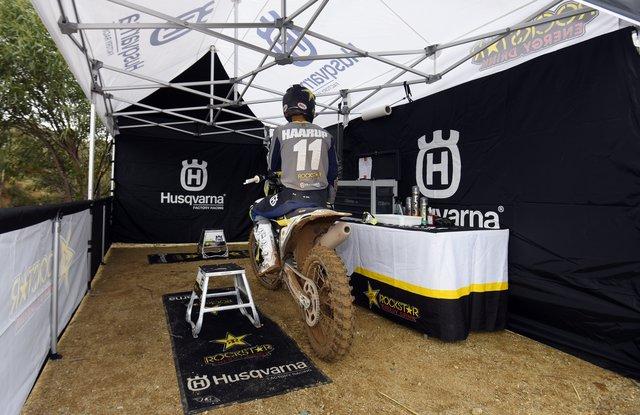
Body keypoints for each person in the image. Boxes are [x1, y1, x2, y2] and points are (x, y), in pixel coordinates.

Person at [251, 84, 339, 274]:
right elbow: (333, 174)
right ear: (310, 106)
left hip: (291, 197)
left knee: (256, 210)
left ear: (286, 107)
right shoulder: (327, 135)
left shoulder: (280, 132)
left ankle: (269, 258)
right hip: (320, 198)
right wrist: (329, 201)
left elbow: (273, 166)